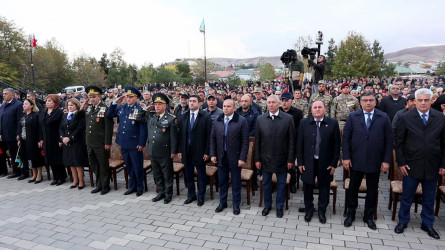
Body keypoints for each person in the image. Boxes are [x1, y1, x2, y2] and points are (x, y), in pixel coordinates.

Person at [394, 88, 445, 239]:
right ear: (415, 101)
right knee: (407, 196)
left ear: (431, 101)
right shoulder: (406, 117)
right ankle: (403, 221)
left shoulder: (440, 118)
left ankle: (428, 224)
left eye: (426, 100)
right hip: (411, 164)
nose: (423, 103)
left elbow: (444, 143)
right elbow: (399, 142)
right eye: (420, 100)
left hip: (432, 164)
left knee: (429, 197)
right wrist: (401, 163)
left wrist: (443, 164)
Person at [342, 91, 393, 230]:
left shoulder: (383, 117)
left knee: (372, 190)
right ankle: (351, 214)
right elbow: (346, 138)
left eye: (371, 100)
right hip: (356, 160)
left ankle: (368, 216)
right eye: (365, 100)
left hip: (375, 161)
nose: (368, 103)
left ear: (376, 102)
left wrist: (386, 160)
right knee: (353, 188)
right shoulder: (353, 117)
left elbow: (389, 140)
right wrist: (345, 157)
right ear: (360, 102)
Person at [297, 101, 340, 223]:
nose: (317, 109)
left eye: (319, 107)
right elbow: (299, 144)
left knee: (324, 188)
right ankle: (309, 210)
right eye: (314, 107)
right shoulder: (304, 123)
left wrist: (334, 163)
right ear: (311, 110)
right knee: (308, 187)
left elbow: (337, 145)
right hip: (308, 162)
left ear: (324, 109)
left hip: (325, 163)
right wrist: (300, 162)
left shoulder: (332, 123)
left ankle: (322, 211)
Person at [255, 95, 295, 218]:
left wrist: (290, 159)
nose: (271, 105)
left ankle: (279, 207)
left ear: (279, 104)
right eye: (269, 103)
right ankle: (267, 206)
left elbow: (292, 141)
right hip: (265, 158)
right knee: (266, 183)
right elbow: (258, 141)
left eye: (273, 102)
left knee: (281, 184)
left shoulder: (288, 119)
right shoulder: (260, 119)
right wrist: (257, 159)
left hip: (282, 158)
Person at [137, 93, 178, 204]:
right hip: (153, 150)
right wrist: (145, 109)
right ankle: (161, 192)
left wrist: (173, 151)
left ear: (165, 105)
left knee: (167, 174)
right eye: (155, 104)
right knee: (157, 174)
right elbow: (138, 117)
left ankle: (168, 194)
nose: (157, 106)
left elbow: (174, 137)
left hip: (165, 152)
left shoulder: (171, 118)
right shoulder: (150, 115)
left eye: (160, 104)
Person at [210, 99, 249, 215]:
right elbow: (212, 138)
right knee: (222, 181)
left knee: (236, 182)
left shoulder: (241, 121)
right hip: (221, 156)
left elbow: (245, 141)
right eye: (224, 106)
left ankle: (236, 204)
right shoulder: (218, 120)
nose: (226, 108)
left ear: (234, 108)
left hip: (235, 157)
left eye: (228, 106)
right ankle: (223, 202)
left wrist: (242, 158)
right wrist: (213, 154)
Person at [107, 87, 147, 196]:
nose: (128, 99)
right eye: (126, 97)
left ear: (136, 98)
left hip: (135, 143)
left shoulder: (140, 110)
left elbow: (143, 128)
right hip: (123, 142)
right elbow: (109, 115)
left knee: (137, 166)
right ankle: (132, 186)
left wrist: (141, 143)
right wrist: (115, 102)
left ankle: (140, 187)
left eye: (131, 97)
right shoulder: (122, 108)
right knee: (129, 166)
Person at [178, 95, 212, 206]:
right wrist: (180, 150)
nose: (191, 103)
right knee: (189, 174)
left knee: (201, 175)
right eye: (190, 101)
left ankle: (201, 196)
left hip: (200, 151)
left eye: (194, 101)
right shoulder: (184, 116)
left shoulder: (205, 116)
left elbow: (209, 136)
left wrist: (207, 152)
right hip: (186, 150)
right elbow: (181, 135)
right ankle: (191, 195)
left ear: (199, 103)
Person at [81, 86, 113, 195]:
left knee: (103, 164)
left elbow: (109, 127)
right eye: (90, 97)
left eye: (94, 97)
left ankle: (105, 185)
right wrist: (82, 106)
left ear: (99, 96)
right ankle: (98, 184)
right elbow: (77, 118)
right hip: (90, 141)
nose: (92, 99)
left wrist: (107, 142)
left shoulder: (105, 108)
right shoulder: (89, 108)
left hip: (100, 142)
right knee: (94, 164)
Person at [59, 98, 89, 189]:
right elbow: (61, 128)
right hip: (67, 142)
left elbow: (80, 129)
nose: (70, 107)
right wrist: (63, 138)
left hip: (77, 142)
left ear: (76, 106)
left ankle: (81, 181)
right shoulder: (65, 115)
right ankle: (75, 180)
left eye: (72, 105)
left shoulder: (80, 115)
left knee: (78, 162)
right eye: (68, 105)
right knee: (70, 162)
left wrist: (70, 138)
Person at [39, 94, 67, 185]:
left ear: (55, 103)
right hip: (46, 139)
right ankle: (55, 176)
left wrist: (60, 139)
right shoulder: (44, 111)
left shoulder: (58, 112)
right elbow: (41, 126)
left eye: (50, 101)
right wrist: (41, 139)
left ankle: (61, 177)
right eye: (47, 101)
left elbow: (62, 127)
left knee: (57, 158)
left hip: (55, 138)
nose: (47, 103)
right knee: (50, 158)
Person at [280, 92, 303, 193]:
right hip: (280, 142)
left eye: (286, 101)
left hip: (292, 141)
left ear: (291, 101)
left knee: (291, 164)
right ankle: (279, 183)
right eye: (283, 101)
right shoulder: (278, 111)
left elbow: (300, 128)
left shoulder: (297, 113)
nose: (284, 103)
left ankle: (292, 184)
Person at [18, 99, 43, 183]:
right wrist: (19, 139)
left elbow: (39, 128)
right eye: (23, 104)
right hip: (24, 139)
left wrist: (40, 139)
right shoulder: (23, 116)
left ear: (32, 105)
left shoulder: (36, 115)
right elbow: (20, 128)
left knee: (36, 157)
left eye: (26, 104)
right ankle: (34, 174)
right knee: (28, 157)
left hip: (33, 139)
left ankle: (39, 174)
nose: (24, 105)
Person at [0, 88, 23, 178]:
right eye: (3, 93)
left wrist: (18, 133)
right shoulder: (3, 105)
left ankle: (22, 171)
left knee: (19, 154)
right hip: (6, 134)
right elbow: (1, 120)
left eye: (6, 93)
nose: (3, 95)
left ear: (12, 95)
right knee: (12, 153)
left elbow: (19, 120)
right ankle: (16, 171)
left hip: (14, 134)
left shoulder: (18, 105)